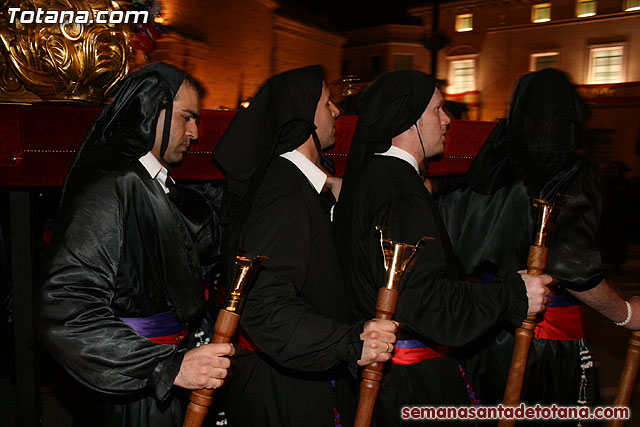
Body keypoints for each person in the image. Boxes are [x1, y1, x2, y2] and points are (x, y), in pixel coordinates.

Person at [333, 70, 551, 426]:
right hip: (409, 386)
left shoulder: (376, 178)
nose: (448, 120)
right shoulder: (401, 192)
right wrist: (514, 294)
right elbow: (423, 302)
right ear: (409, 119)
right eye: (438, 110)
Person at [36, 63, 234, 427]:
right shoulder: (112, 179)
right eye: (187, 117)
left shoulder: (151, 179)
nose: (195, 132)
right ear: (152, 109)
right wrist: (163, 365)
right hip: (131, 384)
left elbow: (200, 228)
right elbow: (65, 306)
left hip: (162, 373)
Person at [437, 68, 640, 414]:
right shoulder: (573, 172)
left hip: (481, 333)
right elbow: (571, 265)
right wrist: (626, 314)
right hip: (543, 341)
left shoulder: (485, 167)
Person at [212, 65, 397, 426]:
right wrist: (348, 342)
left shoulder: (291, 183)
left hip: (289, 373)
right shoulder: (285, 195)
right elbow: (264, 305)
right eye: (327, 103)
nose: (337, 111)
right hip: (278, 387)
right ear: (303, 116)